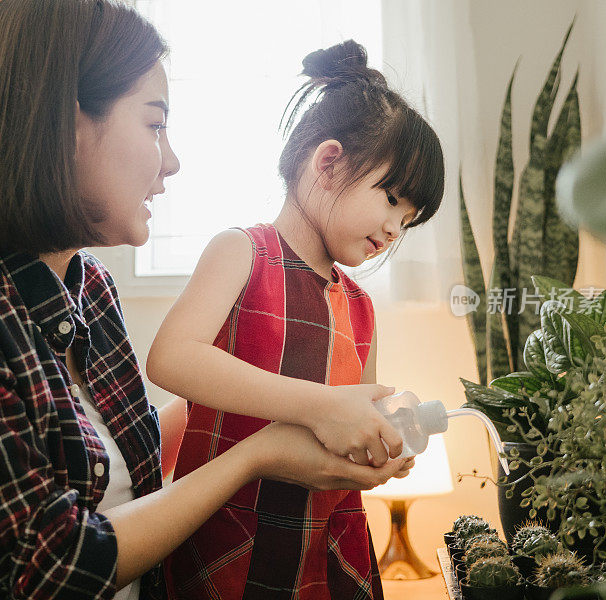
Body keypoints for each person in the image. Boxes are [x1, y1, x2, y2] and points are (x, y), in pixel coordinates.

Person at [0, 3, 415, 599]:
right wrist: (257, 455)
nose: (173, 162)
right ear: (59, 121)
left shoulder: (88, 287)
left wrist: (298, 410)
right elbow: (45, 574)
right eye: (155, 125)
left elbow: (115, 470)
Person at [148, 40, 445, 599]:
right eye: (391, 200)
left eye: (408, 221)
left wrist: (380, 449)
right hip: (227, 537)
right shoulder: (242, 252)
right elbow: (172, 358)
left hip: (322, 548)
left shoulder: (360, 308)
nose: (394, 231)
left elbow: (349, 427)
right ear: (327, 163)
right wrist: (322, 405)